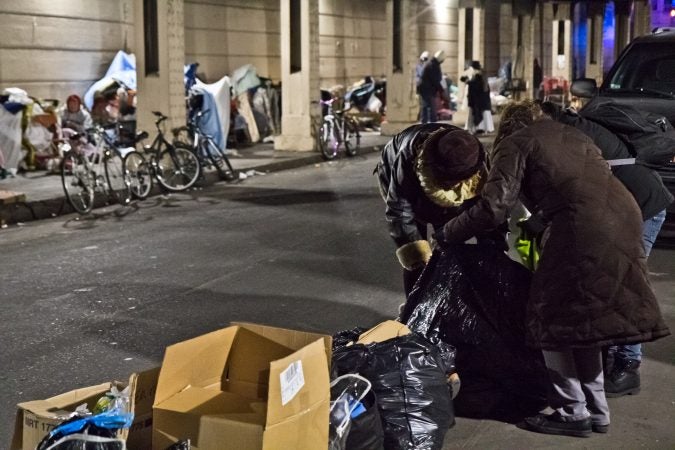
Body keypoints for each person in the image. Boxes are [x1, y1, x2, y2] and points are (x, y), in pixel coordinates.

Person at [436, 100, 669, 437]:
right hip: (626, 216)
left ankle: (571, 413)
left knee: (550, 319)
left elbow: (494, 206)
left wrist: (449, 232)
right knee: (584, 320)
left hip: (581, 229)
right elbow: (580, 184)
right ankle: (597, 412)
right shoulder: (571, 135)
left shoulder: (515, 143)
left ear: (507, 127)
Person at [541, 101, 673, 397]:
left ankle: (628, 366)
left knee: (625, 282)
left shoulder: (572, 138)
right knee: (610, 280)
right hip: (631, 203)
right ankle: (614, 357)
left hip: (642, 207)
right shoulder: (576, 128)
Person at [375, 123, 490, 298]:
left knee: (451, 240)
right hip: (402, 174)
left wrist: (492, 247)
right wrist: (417, 255)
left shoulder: (475, 158)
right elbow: (400, 211)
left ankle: (448, 300)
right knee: (418, 256)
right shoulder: (407, 156)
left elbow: (487, 208)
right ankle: (413, 307)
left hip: (446, 174)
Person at [464, 61, 494, 135]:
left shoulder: (477, 75)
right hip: (483, 99)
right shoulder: (482, 74)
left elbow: (475, 86)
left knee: (476, 113)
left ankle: (478, 128)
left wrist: (468, 82)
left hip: (478, 99)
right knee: (484, 113)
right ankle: (486, 128)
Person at [418, 50, 447, 123]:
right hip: (427, 90)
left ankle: (424, 125)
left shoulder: (432, 64)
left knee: (426, 108)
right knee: (431, 108)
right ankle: (430, 126)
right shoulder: (433, 65)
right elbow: (435, 80)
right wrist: (442, 91)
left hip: (425, 89)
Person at [415, 51, 429, 120]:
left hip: (426, 87)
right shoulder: (418, 67)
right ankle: (421, 117)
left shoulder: (427, 66)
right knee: (421, 103)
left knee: (425, 104)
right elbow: (417, 76)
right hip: (420, 87)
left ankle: (424, 118)